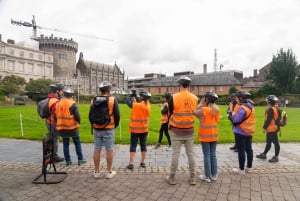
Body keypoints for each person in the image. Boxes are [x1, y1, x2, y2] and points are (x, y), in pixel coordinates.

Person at [165, 76, 198, 185]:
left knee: (175, 154)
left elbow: (169, 112)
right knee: (191, 154)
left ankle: (172, 177)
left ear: (179, 85)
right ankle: (193, 178)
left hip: (176, 130)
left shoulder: (174, 97)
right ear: (189, 85)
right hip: (189, 130)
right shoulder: (195, 98)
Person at [89, 81, 120, 179]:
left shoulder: (93, 100)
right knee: (109, 149)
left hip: (97, 128)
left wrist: (94, 124)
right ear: (108, 90)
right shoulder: (112, 100)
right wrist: (115, 125)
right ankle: (109, 171)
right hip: (109, 128)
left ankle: (97, 171)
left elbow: (90, 116)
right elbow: (117, 115)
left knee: (97, 149)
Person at [55, 87, 86, 166]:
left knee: (66, 144)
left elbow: (56, 114)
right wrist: (79, 121)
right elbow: (77, 115)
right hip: (73, 127)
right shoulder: (72, 103)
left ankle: (68, 161)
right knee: (77, 143)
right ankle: (80, 159)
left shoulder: (58, 103)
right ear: (71, 95)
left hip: (62, 127)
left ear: (64, 94)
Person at [194, 91, 220, 183]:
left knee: (207, 155)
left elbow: (195, 113)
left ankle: (207, 176)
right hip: (214, 135)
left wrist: (200, 104)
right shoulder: (216, 109)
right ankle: (214, 175)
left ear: (207, 99)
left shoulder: (203, 109)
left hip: (205, 135)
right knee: (213, 155)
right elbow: (217, 121)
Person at [126, 90, 151, 170]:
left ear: (142, 97)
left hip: (135, 129)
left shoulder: (137, 105)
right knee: (143, 145)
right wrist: (135, 101)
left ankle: (131, 163)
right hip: (144, 129)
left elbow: (127, 102)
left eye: (140, 96)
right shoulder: (148, 105)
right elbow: (139, 105)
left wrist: (130, 95)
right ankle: (143, 162)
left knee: (133, 146)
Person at [231, 91, 255, 175]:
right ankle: (249, 167)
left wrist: (233, 114)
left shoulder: (242, 108)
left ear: (240, 98)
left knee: (241, 150)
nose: (236, 99)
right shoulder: (251, 107)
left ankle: (241, 169)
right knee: (249, 149)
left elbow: (236, 119)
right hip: (249, 131)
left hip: (240, 131)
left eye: (237, 98)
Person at [256, 95, 280, 163]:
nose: (266, 102)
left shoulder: (271, 110)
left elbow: (268, 120)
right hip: (273, 128)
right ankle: (264, 154)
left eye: (267, 101)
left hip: (272, 129)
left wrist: (264, 128)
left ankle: (276, 157)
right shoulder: (275, 108)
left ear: (269, 102)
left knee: (276, 143)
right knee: (269, 142)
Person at [46, 84, 64, 163]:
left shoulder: (50, 98)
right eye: (61, 90)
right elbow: (55, 113)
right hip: (53, 124)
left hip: (49, 122)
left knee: (50, 139)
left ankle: (49, 156)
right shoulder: (54, 101)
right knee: (54, 140)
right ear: (57, 91)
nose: (62, 92)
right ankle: (54, 157)